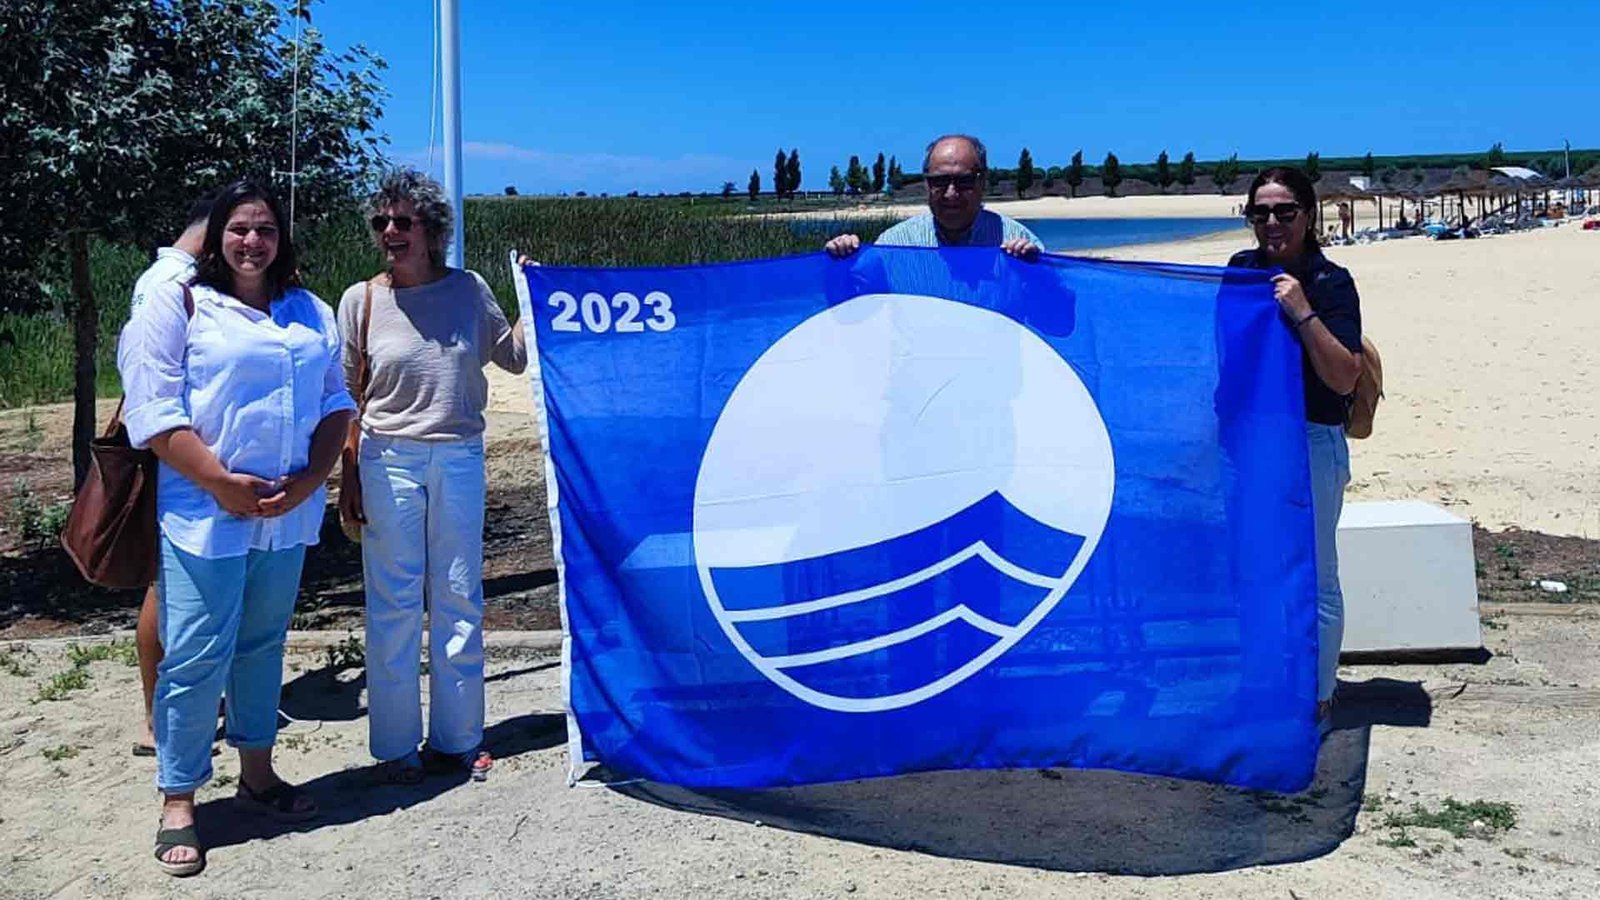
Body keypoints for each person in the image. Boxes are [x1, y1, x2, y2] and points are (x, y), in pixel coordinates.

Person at [118, 179, 356, 876]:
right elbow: (154, 413)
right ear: (216, 236)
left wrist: (313, 479)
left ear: (283, 240)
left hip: (285, 515)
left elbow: (336, 401)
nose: (253, 242)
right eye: (239, 229)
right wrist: (221, 482)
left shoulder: (309, 310)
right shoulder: (187, 303)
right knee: (195, 655)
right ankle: (178, 798)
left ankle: (258, 773)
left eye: (266, 230)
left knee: (261, 645)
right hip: (205, 516)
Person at [336, 169, 527, 784]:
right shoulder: (360, 301)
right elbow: (345, 397)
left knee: (458, 596)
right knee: (392, 604)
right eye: (381, 222)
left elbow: (515, 357)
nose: (390, 232)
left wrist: (536, 291)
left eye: (403, 221)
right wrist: (349, 479)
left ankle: (459, 738)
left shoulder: (470, 291)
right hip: (386, 457)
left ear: (431, 228)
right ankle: (396, 748)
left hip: (461, 458)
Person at [1227, 167, 1363, 736]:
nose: (1272, 223)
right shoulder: (1240, 272)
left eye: (1285, 211)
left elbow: (1343, 376)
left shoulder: (1331, 281)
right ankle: (1263, 681)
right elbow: (1225, 356)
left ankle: (1319, 695)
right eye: (1260, 213)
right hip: (1255, 443)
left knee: (1314, 575)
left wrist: (1301, 309)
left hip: (1311, 440)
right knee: (1255, 571)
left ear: (1309, 215)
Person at [128, 187, 219, 758]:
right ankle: (158, 715)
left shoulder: (168, 281)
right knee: (167, 588)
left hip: (186, 452)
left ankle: (171, 710)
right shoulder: (172, 287)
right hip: (179, 455)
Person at [824, 134, 1043, 258]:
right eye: (939, 181)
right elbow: (853, 313)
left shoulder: (1016, 240)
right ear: (927, 183)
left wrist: (1039, 275)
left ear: (982, 181)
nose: (951, 193)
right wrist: (842, 260)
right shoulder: (894, 245)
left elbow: (1060, 320)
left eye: (964, 181)